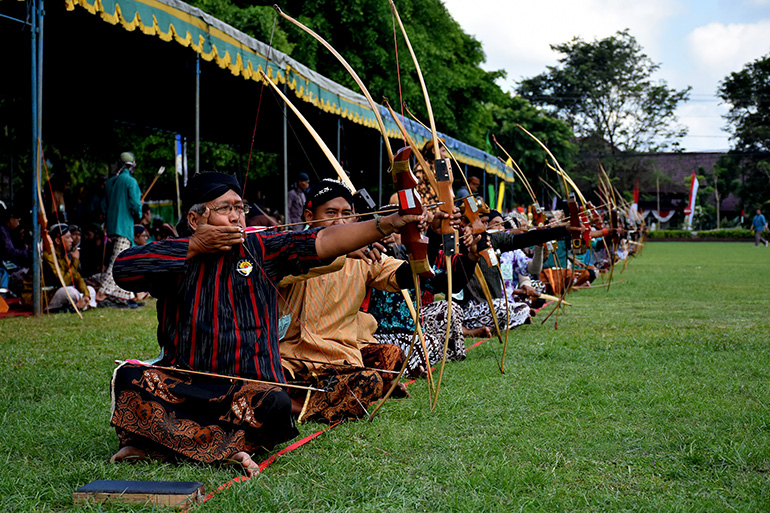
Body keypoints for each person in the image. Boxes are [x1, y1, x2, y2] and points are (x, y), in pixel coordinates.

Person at [109, 171, 421, 474]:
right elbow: (124, 269)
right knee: (129, 376)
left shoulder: (261, 250)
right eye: (225, 209)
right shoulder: (174, 257)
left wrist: (387, 223)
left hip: (247, 390)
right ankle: (226, 446)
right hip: (188, 385)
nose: (236, 217)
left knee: (275, 404)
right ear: (195, 220)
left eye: (239, 208)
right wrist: (194, 247)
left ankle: (164, 442)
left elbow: (322, 241)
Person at [99, 152, 142, 308]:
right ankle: (101, 293)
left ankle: (123, 297)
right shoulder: (130, 182)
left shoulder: (110, 182)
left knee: (121, 259)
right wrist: (138, 213)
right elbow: (136, 206)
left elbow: (105, 205)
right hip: (124, 227)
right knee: (117, 261)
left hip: (112, 226)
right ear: (131, 167)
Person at [22, 223, 98, 311]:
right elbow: (63, 281)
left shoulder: (64, 255)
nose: (71, 240)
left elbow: (77, 277)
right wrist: (75, 261)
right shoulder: (48, 256)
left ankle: (83, 305)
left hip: (55, 292)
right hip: (42, 296)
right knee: (71, 292)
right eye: (68, 237)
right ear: (57, 241)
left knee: (90, 290)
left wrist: (86, 295)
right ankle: (82, 306)